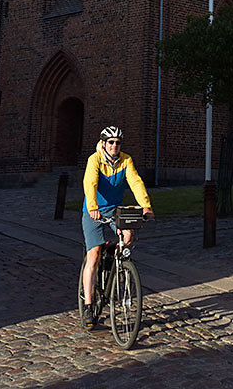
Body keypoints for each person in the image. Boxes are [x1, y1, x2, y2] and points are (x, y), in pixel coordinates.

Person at [81, 125, 154, 329]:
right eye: (111, 142)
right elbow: (90, 183)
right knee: (93, 254)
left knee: (128, 236)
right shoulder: (94, 160)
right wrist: (93, 206)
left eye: (118, 142)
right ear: (104, 143)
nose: (114, 146)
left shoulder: (126, 160)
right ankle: (88, 304)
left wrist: (146, 206)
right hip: (93, 210)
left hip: (114, 209)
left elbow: (135, 182)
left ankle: (115, 262)